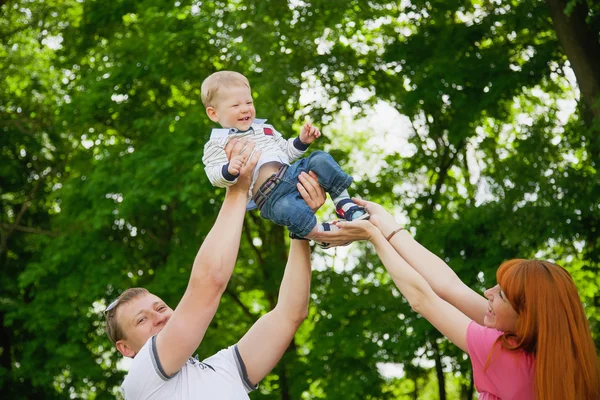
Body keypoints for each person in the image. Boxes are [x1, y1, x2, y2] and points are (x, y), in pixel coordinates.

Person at [104, 139, 327, 399]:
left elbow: (290, 314)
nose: (159, 317)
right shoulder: (142, 380)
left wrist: (299, 224)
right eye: (141, 320)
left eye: (161, 307)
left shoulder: (223, 369)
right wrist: (238, 188)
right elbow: (208, 284)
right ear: (125, 348)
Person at [313, 198, 600, 400]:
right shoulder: (557, 357)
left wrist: (375, 238)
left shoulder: (504, 354)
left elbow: (422, 299)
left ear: (527, 315)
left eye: (500, 294)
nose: (488, 292)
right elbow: (449, 286)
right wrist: (389, 227)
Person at [201, 70, 368, 247]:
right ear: (214, 114)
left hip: (291, 174)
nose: (245, 108)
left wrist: (301, 141)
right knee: (287, 210)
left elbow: (286, 151)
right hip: (269, 196)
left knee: (320, 159)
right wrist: (228, 169)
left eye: (249, 102)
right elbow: (213, 173)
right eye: (235, 106)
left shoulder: (265, 129)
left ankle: (344, 202)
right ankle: (321, 233)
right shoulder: (217, 143)